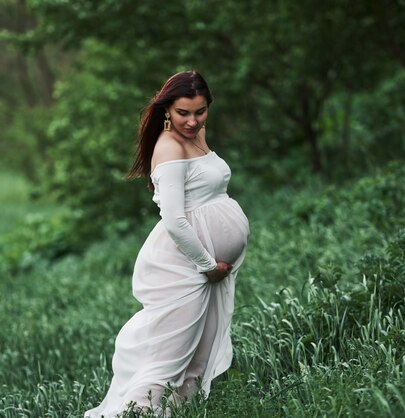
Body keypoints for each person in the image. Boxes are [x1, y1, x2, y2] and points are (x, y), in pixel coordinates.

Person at [84, 70, 249, 418]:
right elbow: (175, 220)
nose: (192, 121)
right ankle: (136, 413)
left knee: (198, 357)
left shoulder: (198, 134)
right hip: (185, 266)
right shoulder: (169, 145)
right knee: (170, 357)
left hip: (206, 267)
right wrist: (208, 266)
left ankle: (179, 413)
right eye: (183, 113)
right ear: (167, 110)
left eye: (200, 111)